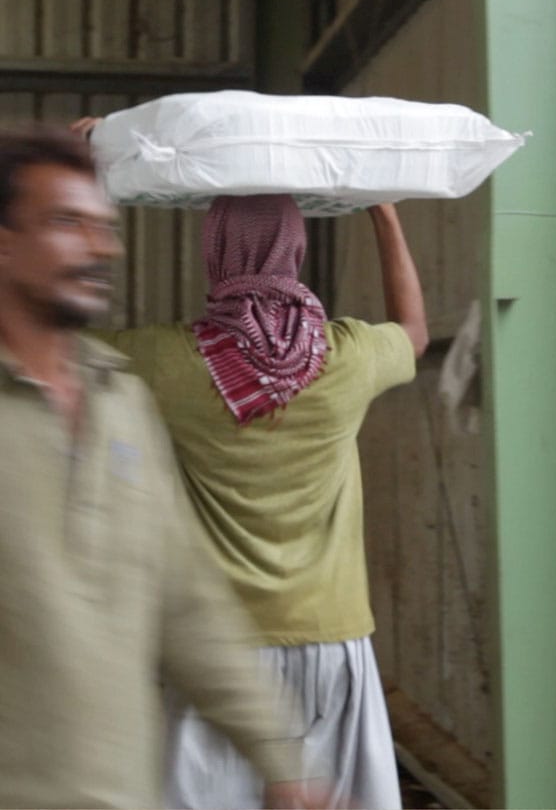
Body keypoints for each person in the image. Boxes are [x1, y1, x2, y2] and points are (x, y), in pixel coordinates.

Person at [73, 118, 429, 810]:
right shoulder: (347, 357)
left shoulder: (163, 361)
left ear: (216, 257)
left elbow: (59, 332)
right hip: (332, 643)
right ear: (294, 254)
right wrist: (383, 210)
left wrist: (83, 181)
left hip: (217, 653)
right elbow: (414, 332)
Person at [0, 126, 325, 809]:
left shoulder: (125, 398)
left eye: (104, 226)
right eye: (68, 222)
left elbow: (186, 600)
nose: (102, 247)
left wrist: (280, 760)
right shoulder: (337, 350)